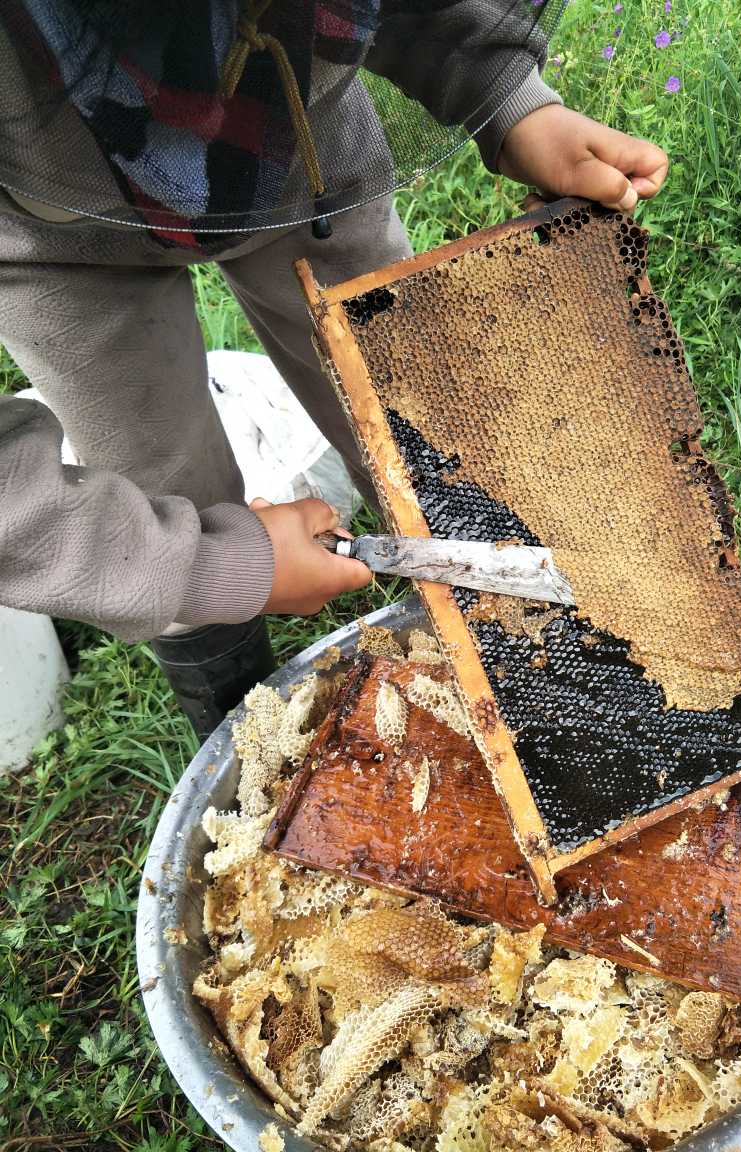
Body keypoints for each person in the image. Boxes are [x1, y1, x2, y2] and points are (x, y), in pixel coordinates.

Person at [0, 0, 668, 737]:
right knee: (157, 481)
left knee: (419, 424)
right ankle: (245, 734)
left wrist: (504, 95)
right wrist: (210, 568)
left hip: (297, 153)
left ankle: (522, 662)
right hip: (56, 244)